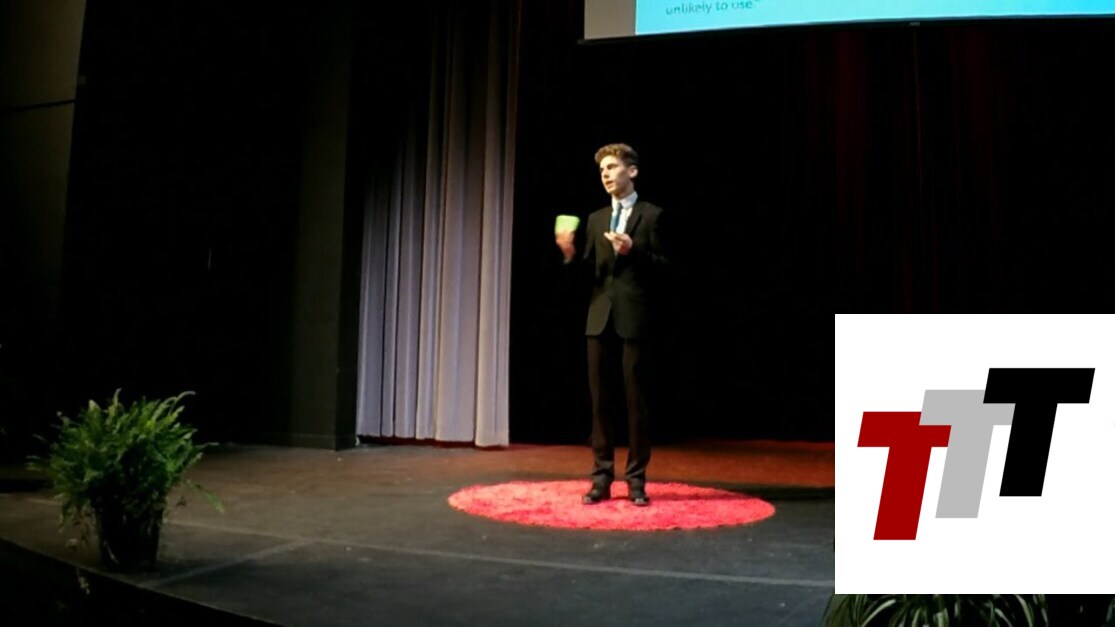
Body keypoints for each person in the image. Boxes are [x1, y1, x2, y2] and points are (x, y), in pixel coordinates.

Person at [555, 143, 671, 507]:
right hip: (599, 318)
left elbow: (667, 269)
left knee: (637, 403)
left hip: (635, 319)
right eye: (601, 170)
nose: (605, 174)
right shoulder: (595, 219)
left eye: (611, 167)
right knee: (600, 403)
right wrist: (570, 255)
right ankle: (601, 478)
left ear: (631, 171)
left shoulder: (652, 216)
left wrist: (632, 251)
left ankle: (636, 480)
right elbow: (591, 274)